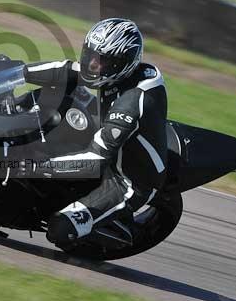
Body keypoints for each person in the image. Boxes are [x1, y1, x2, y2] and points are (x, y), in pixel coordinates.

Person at [21, 18, 168, 249]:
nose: (92, 65)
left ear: (122, 64)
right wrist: (16, 72)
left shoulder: (130, 104)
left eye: (102, 61)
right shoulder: (114, 71)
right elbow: (67, 70)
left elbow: (96, 161)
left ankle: (107, 226)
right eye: (90, 54)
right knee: (49, 106)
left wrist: (36, 166)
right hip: (109, 138)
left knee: (59, 228)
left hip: (125, 180)